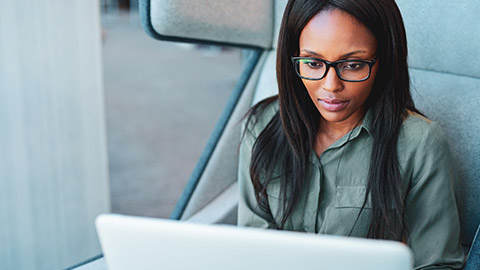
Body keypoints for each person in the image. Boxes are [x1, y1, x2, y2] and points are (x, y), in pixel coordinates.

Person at [237, 0, 465, 269]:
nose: (331, 86)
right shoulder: (261, 126)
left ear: (383, 60)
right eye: (312, 63)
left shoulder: (419, 144)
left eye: (353, 65)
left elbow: (437, 264)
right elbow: (251, 249)